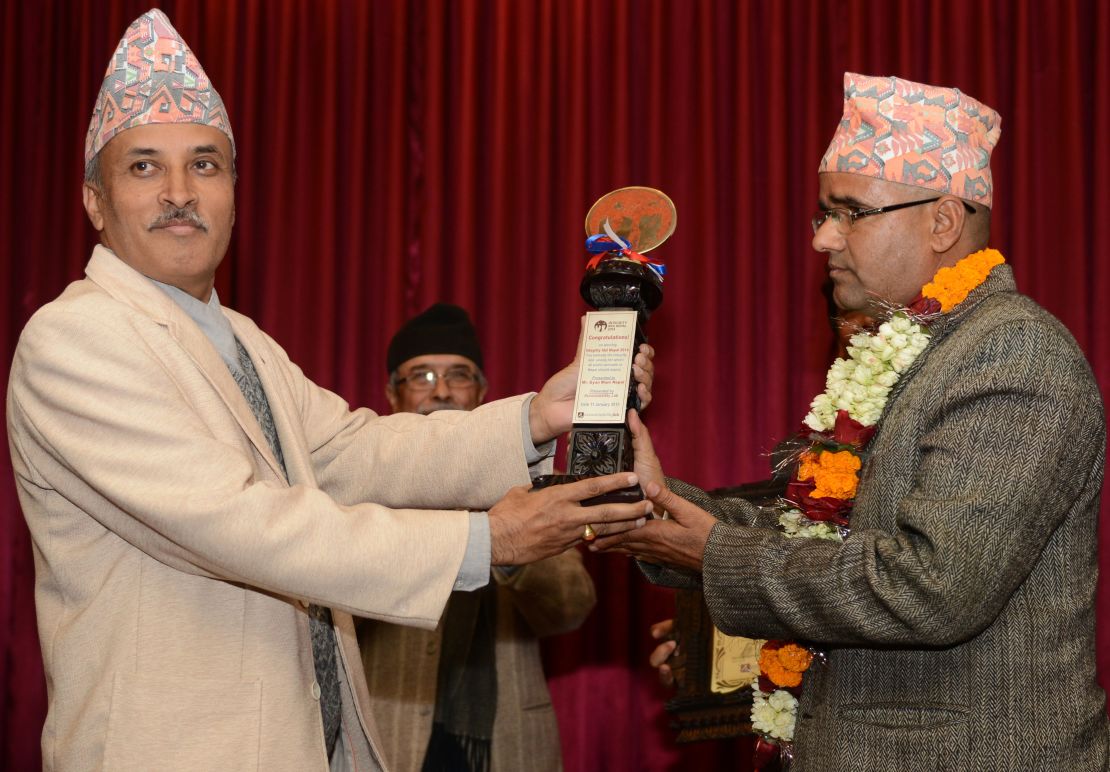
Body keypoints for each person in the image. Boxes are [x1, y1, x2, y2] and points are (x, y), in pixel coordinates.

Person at [5, 11, 654, 771]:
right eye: (144, 166)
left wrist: (535, 418)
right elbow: (239, 523)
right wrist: (486, 542)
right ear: (94, 202)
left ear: (235, 193)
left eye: (205, 165)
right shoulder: (77, 337)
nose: (180, 191)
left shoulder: (241, 338)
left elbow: (354, 451)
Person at [597, 72, 1109, 770]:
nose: (823, 240)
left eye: (850, 213)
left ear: (942, 222)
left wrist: (713, 553)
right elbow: (819, 539)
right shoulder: (903, 351)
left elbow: (931, 589)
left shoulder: (1013, 352)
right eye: (822, 215)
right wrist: (656, 506)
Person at [358, 303, 595, 771]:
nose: (441, 390)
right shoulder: (361, 487)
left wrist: (505, 541)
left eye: (458, 375)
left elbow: (571, 608)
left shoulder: (528, 483)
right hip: (390, 734)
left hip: (506, 743)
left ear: (482, 391)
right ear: (391, 393)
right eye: (421, 376)